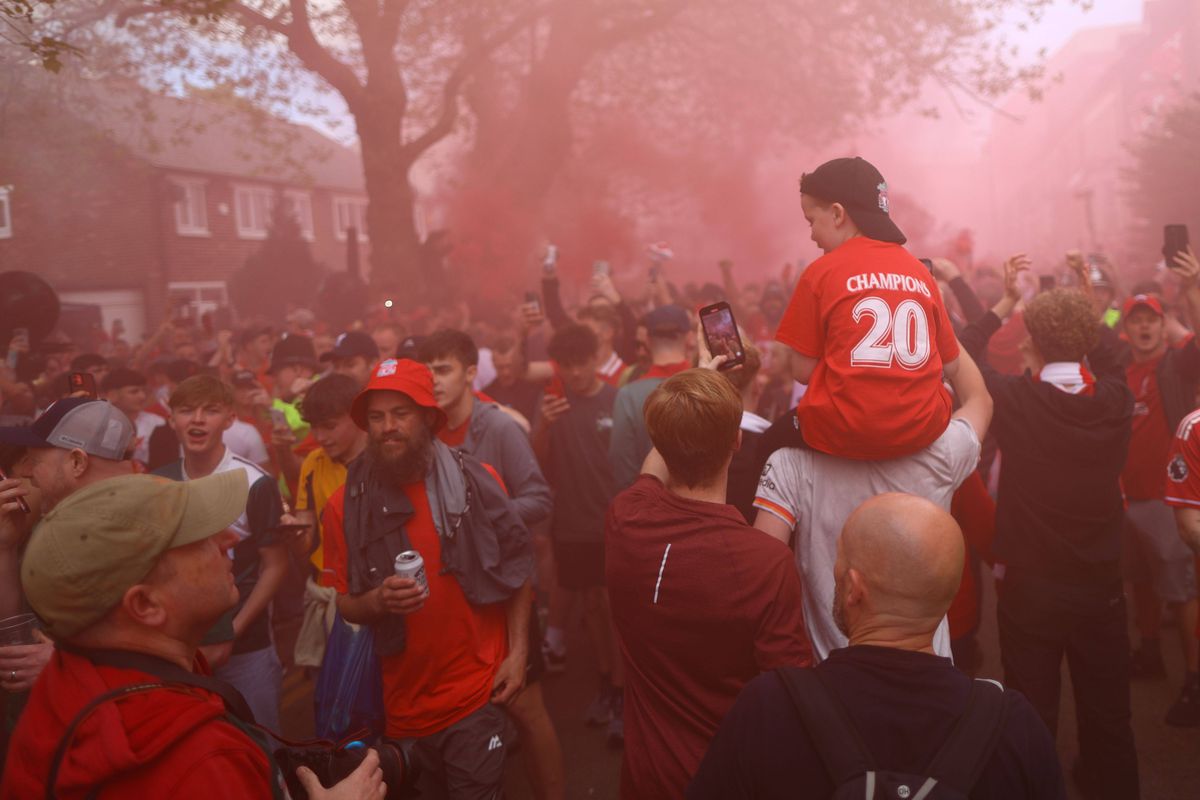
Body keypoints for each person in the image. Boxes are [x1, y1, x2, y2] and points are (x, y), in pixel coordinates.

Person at [0, 471, 386, 799]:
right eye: (199, 538)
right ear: (146, 606)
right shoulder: (201, 765)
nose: (230, 541)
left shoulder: (75, 682)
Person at [688, 493, 1064, 800]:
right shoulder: (1014, 727)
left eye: (839, 560)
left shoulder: (769, 707)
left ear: (854, 589)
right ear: (945, 597)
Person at [958, 261, 1139, 799]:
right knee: (1109, 720)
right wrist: (1087, 311)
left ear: (1032, 341)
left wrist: (1007, 302)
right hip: (1102, 586)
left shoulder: (1014, 400)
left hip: (1032, 589)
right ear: (1085, 337)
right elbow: (1113, 357)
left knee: (1031, 720)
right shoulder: (1116, 402)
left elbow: (963, 351)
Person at [321, 358, 534, 799]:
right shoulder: (345, 507)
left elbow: (517, 569)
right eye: (377, 417)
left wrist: (518, 654)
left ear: (428, 418)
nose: (388, 428)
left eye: (401, 414)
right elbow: (345, 602)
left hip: (476, 695)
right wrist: (378, 600)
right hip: (401, 711)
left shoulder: (478, 482)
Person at [607, 368, 812, 799]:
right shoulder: (765, 562)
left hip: (646, 781)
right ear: (737, 441)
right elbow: (791, 697)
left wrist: (692, 388)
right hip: (728, 780)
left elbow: (652, 467)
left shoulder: (626, 516)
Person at [752, 340, 991, 660]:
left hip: (828, 683)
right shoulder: (942, 452)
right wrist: (937, 322)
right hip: (928, 672)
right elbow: (980, 399)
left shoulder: (791, 461)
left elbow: (763, 576)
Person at [418, 329, 563, 799]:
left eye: (444, 370)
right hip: (453, 601)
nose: (435, 380)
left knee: (526, 708)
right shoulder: (424, 431)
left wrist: (483, 521)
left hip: (505, 594)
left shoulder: (497, 427)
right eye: (428, 371)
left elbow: (539, 498)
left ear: (468, 373)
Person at [777, 156, 961, 461]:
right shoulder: (920, 273)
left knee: (768, 443)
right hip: (922, 431)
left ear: (837, 214)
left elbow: (802, 371)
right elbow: (951, 367)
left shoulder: (819, 273)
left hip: (843, 432)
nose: (811, 234)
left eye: (811, 221)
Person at [153, 375, 289, 730]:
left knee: (264, 751)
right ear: (172, 419)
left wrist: (235, 629)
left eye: (210, 411)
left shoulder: (254, 483)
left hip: (248, 649)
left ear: (229, 420)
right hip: (178, 650)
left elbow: (275, 565)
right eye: (186, 410)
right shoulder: (159, 483)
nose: (197, 419)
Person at [0, 398, 136, 698]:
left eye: (36, 461)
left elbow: (195, 655)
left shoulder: (147, 532)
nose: (29, 473)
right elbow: (18, 639)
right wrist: (5, 549)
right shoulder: (52, 527)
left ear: (77, 463)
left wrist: (67, 664)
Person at [1117, 255, 1200, 727]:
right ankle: (1149, 651)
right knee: (1141, 580)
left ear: (1162, 324)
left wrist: (1191, 290)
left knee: (1183, 591)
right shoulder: (1121, 370)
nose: (1145, 326)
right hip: (1129, 499)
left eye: (1152, 318)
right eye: (1137, 320)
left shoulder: (1176, 367)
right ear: (1128, 329)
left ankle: (1193, 681)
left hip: (1171, 502)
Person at [531, 324, 625, 742]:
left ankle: (622, 693)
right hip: (571, 523)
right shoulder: (552, 402)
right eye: (566, 365)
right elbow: (535, 462)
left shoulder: (615, 399)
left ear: (594, 359)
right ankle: (607, 685)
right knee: (589, 608)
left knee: (609, 606)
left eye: (581, 362)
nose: (575, 372)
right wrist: (545, 426)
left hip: (611, 521)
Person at [609, 305, 692, 489]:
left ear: (647, 339)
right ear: (689, 338)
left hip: (646, 508)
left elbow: (622, 465)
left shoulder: (628, 396)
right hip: (701, 510)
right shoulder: (709, 386)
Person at [101, 366, 166, 467]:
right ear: (112, 395)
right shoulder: (100, 423)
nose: (142, 396)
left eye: (143, 391)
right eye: (134, 392)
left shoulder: (158, 422)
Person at [485, 335, 542, 423]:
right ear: (493, 364)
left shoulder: (533, 390)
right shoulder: (487, 395)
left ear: (517, 362)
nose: (506, 372)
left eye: (509, 366)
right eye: (500, 367)